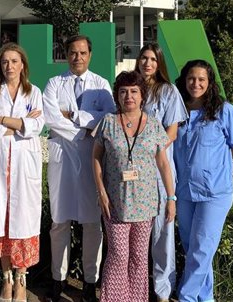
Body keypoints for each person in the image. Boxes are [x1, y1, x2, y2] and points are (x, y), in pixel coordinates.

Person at [42, 35, 115, 302]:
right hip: (61, 156)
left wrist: (74, 116)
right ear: (66, 54)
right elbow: (50, 117)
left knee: (91, 223)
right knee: (60, 221)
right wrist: (86, 128)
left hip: (91, 158)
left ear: (90, 55)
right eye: (73, 53)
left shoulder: (101, 85)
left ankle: (89, 282)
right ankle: (57, 280)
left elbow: (108, 118)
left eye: (83, 53)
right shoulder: (53, 84)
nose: (78, 58)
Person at [92, 71, 176, 302]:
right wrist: (101, 192)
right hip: (115, 202)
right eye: (123, 91)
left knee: (139, 256)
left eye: (134, 91)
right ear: (117, 96)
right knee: (118, 254)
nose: (128, 96)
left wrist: (171, 198)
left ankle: (136, 299)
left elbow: (163, 164)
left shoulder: (154, 126)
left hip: (145, 203)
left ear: (142, 96)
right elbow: (96, 157)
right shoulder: (108, 123)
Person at [173, 60, 233, 302]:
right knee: (193, 248)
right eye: (191, 79)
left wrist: (215, 164)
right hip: (184, 191)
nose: (195, 84)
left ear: (209, 83)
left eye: (201, 79)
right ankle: (205, 298)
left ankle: (186, 296)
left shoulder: (224, 110)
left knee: (202, 248)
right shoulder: (177, 110)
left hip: (214, 192)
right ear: (184, 81)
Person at [0, 43, 44, 302]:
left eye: (14, 61)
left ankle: (21, 280)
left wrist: (2, 120)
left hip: (23, 168)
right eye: (5, 62)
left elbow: (36, 126)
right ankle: (6, 280)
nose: (9, 66)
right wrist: (18, 125)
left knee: (22, 222)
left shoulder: (33, 92)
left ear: (23, 65)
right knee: (1, 223)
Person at [134, 44, 187, 302]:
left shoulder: (168, 91)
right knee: (136, 231)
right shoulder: (131, 88)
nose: (147, 63)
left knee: (163, 232)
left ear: (159, 63)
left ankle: (162, 290)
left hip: (159, 169)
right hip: (132, 172)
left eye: (153, 59)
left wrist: (149, 151)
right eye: (143, 58)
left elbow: (172, 132)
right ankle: (135, 288)